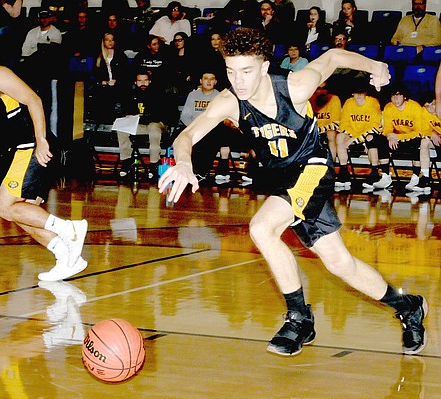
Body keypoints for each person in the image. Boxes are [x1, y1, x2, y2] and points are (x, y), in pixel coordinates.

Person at [159, 27, 427, 357]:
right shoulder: (229, 101)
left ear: (263, 67)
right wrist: (183, 163)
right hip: (283, 180)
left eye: (245, 71)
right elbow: (186, 136)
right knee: (340, 263)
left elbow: (333, 57)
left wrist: (375, 66)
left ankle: (299, 318)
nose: (238, 81)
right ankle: (408, 306)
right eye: (231, 71)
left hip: (313, 168)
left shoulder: (294, 87)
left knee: (262, 228)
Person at [0, 42, 88, 282]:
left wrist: (41, 140)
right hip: (18, 149)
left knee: (5, 208)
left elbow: (33, 100)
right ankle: (66, 255)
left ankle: (71, 230)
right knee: (21, 212)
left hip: (31, 145)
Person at [117, 68, 174, 181]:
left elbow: (158, 116)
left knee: (153, 127)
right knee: (122, 128)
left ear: (150, 81)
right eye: (140, 81)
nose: (143, 83)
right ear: (135, 82)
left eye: (145, 80)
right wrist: (129, 116)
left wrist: (137, 117)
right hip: (141, 125)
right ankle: (127, 161)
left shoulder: (158, 94)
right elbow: (125, 112)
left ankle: (153, 164)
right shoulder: (130, 95)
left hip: (159, 126)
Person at [336, 82, 389, 191]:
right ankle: (344, 172)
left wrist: (355, 139)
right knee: (340, 137)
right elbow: (344, 124)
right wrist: (353, 137)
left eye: (361, 93)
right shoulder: (348, 103)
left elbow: (374, 126)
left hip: (369, 134)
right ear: (352, 94)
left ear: (365, 93)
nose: (359, 96)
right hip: (354, 135)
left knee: (370, 138)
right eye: (356, 93)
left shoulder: (373, 102)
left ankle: (375, 173)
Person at [382, 85, 425, 192]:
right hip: (396, 140)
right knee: (380, 140)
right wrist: (390, 136)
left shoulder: (415, 107)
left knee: (418, 142)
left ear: (404, 96)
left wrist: (397, 136)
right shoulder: (388, 107)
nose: (395, 99)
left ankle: (416, 177)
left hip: (411, 138)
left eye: (398, 95)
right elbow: (386, 129)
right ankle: (385, 176)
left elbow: (420, 131)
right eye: (393, 96)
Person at [90, 31, 130, 124]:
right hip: (104, 87)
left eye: (112, 40)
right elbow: (95, 74)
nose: (110, 42)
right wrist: (102, 81)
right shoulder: (98, 57)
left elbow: (127, 74)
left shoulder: (121, 56)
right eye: (107, 40)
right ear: (103, 42)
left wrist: (117, 81)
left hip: (119, 85)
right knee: (100, 93)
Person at [309, 81, 341, 172]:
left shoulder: (334, 99)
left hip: (329, 129)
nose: (320, 91)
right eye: (318, 89)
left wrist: (320, 129)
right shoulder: (311, 99)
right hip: (315, 130)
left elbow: (336, 122)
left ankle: (332, 163)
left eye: (323, 89)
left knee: (331, 134)